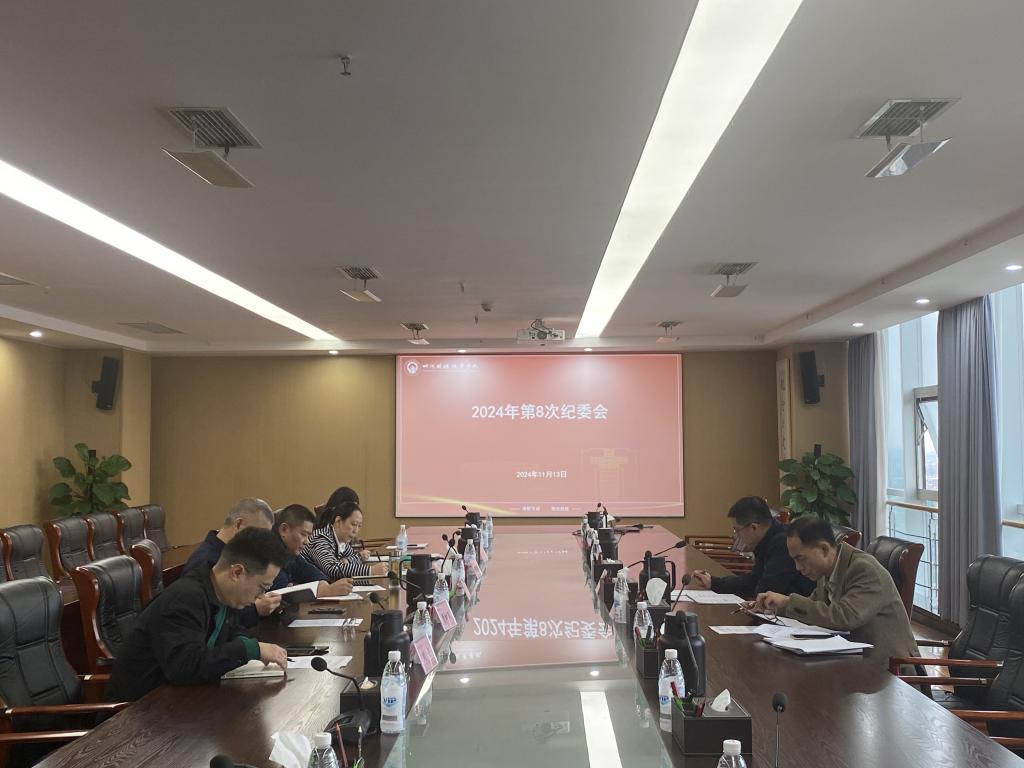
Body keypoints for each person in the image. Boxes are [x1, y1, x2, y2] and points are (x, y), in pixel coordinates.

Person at [106, 527, 290, 701]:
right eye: (262, 587)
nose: (261, 596)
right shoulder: (185, 599)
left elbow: (232, 632)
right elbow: (184, 667)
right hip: (138, 711)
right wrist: (249, 649)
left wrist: (250, 645)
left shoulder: (222, 594)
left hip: (177, 703)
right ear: (237, 572)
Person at [753, 516, 919, 665]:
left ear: (824, 549)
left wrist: (788, 602)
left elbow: (844, 617)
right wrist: (775, 606)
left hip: (891, 669)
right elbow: (814, 608)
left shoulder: (864, 569)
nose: (797, 567)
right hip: (853, 660)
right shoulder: (827, 570)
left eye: (801, 558)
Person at [690, 497, 814, 597]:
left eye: (736, 530)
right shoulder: (767, 538)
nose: (736, 536)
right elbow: (754, 579)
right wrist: (714, 582)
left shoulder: (783, 543)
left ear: (753, 527)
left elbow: (766, 590)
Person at [182, 497, 282, 621]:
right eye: (257, 535)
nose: (261, 544)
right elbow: (212, 616)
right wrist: (255, 609)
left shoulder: (236, 555)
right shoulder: (204, 561)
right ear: (239, 524)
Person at [273, 503, 354, 597]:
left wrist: (323, 584)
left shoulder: (291, 552)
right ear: (284, 529)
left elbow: (312, 572)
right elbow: (279, 593)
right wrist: (326, 591)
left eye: (309, 536)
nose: (307, 542)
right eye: (303, 534)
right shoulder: (269, 551)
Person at [304, 500, 388, 579]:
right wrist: (370, 570)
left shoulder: (341, 540)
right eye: (353, 524)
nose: (356, 531)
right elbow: (333, 569)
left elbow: (353, 557)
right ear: (338, 521)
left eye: (359, 526)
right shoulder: (320, 538)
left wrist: (348, 560)